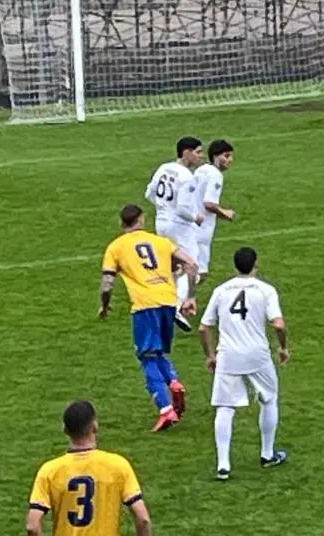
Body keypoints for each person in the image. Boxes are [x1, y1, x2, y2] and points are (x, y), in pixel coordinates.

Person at [100, 204, 198, 432]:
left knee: (146, 356)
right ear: (141, 220)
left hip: (145, 306)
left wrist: (104, 306)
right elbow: (192, 265)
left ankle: (166, 409)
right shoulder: (161, 242)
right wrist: (190, 296)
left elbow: (107, 284)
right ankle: (174, 383)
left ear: (121, 223)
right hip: (168, 302)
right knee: (158, 352)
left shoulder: (115, 247)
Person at [199, 247, 289, 481]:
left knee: (224, 408)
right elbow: (278, 324)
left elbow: (204, 327)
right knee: (269, 399)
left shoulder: (221, 291)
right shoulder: (265, 290)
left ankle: (223, 465)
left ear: (235, 266)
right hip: (257, 355)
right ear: (255, 265)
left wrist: (209, 355)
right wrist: (283, 347)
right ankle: (267, 454)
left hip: (228, 355)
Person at [26, 400, 151, 536]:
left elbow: (32, 526)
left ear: (65, 429)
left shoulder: (49, 471)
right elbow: (143, 519)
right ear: (95, 426)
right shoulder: (118, 465)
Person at [143, 136, 204, 331]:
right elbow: (182, 209)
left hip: (161, 223)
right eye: (198, 152)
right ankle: (175, 305)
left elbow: (149, 194)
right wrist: (195, 217)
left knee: (172, 267)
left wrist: (163, 208)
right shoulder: (187, 177)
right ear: (186, 152)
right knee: (193, 267)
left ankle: (159, 302)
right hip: (179, 227)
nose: (201, 156)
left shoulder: (164, 168)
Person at [193, 139, 236, 284]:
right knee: (199, 274)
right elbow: (209, 204)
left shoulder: (201, 169)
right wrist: (225, 213)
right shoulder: (216, 175)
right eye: (226, 156)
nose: (230, 160)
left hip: (190, 226)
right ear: (216, 156)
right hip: (201, 230)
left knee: (188, 271)